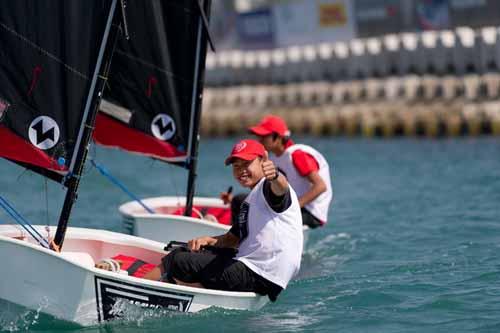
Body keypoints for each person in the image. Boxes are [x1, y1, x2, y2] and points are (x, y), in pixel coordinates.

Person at [142, 139, 303, 302]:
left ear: (263, 160)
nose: (241, 171)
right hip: (263, 273)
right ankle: (181, 291)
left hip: (260, 273)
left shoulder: (268, 187)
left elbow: (280, 189)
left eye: (246, 163)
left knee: (177, 260)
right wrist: (207, 240)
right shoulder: (252, 198)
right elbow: (232, 239)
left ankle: (140, 290)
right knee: (190, 252)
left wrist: (275, 175)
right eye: (236, 166)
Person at [248, 114, 333, 228]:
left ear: (278, 138)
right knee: (241, 201)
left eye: (264, 136)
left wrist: (293, 208)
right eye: (258, 136)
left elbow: (320, 186)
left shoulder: (298, 155)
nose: (259, 140)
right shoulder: (276, 158)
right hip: (296, 207)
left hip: (311, 212)